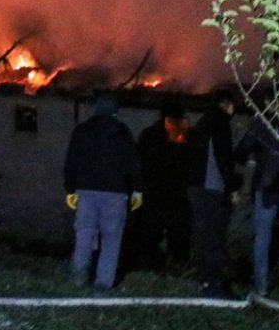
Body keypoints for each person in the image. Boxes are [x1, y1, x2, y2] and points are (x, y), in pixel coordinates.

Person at [64, 92, 142, 290]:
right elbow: (132, 163)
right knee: (111, 239)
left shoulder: (81, 130)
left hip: (86, 192)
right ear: (115, 112)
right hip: (115, 193)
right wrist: (137, 190)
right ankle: (103, 284)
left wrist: (70, 189)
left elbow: (71, 162)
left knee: (84, 235)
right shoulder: (123, 132)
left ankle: (78, 278)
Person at [236, 114, 279, 298]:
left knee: (262, 238)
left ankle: (261, 286)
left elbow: (241, 153)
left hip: (266, 188)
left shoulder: (261, 123)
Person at [186, 89, 241, 298]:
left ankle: (204, 280)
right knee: (215, 235)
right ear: (226, 104)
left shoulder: (201, 123)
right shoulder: (221, 124)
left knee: (202, 235)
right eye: (233, 105)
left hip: (196, 187)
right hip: (212, 188)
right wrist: (233, 187)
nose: (234, 110)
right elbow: (223, 157)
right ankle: (213, 283)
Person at [129, 102, 192, 272]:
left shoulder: (149, 134)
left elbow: (139, 162)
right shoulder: (186, 136)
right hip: (177, 194)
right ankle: (174, 264)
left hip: (154, 192)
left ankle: (149, 263)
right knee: (177, 234)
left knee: (151, 231)